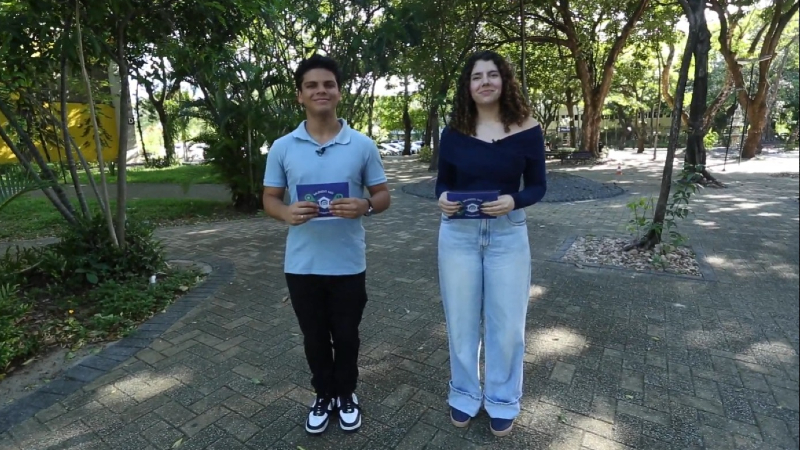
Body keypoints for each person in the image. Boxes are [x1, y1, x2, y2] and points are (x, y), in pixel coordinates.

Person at [262, 54, 390, 435]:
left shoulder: (362, 145)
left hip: (348, 262)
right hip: (302, 265)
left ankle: (346, 394)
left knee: (347, 335)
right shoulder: (283, 147)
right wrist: (285, 213)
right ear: (300, 95)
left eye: (328, 84)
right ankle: (323, 395)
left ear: (338, 92)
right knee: (315, 337)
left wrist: (365, 204)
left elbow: (383, 195)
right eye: (312, 85)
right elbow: (269, 198)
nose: (321, 91)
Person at [435, 50, 547, 437]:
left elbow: (538, 186)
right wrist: (442, 199)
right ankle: (464, 395)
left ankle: (502, 400)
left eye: (492, 75)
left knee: (508, 326)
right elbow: (442, 184)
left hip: (507, 234)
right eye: (477, 76)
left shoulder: (528, 129)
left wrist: (515, 200)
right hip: (459, 235)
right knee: (461, 322)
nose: (485, 82)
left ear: (505, 81)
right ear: (467, 86)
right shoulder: (453, 133)